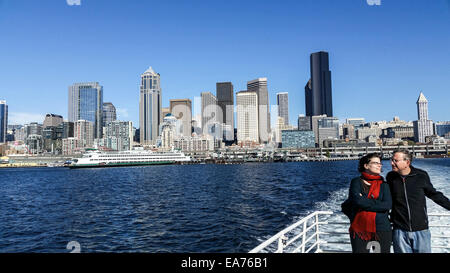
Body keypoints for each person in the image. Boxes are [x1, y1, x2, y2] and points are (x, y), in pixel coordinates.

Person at [387, 149, 450, 253]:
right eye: (392, 160)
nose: (391, 163)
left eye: (395, 160)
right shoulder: (390, 177)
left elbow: (434, 194)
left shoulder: (421, 175)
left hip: (421, 230)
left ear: (407, 162)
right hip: (399, 231)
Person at [345, 153, 392, 253]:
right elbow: (357, 201)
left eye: (380, 163)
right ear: (366, 166)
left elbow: (387, 205)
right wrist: (377, 203)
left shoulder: (384, 185)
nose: (380, 165)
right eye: (376, 163)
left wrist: (364, 201)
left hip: (382, 228)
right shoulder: (356, 182)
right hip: (360, 229)